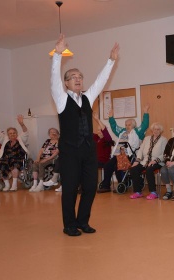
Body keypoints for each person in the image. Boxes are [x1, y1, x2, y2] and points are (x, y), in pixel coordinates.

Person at [50, 34, 119, 236]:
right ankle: (69, 225)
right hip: (70, 151)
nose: (78, 79)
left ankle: (83, 221)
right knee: (70, 189)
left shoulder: (88, 97)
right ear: (66, 83)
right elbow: (54, 78)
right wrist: (58, 54)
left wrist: (111, 61)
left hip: (88, 151)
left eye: (80, 76)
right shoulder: (61, 99)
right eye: (73, 77)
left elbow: (101, 80)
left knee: (90, 187)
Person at [97, 105, 149, 193]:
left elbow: (145, 125)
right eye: (126, 125)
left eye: (129, 125)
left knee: (117, 166)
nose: (127, 126)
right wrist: (111, 117)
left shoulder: (137, 132)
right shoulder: (122, 132)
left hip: (129, 155)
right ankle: (106, 185)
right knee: (107, 165)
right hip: (118, 154)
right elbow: (114, 127)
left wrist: (146, 113)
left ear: (134, 125)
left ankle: (122, 183)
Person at [129, 123, 167, 200]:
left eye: (158, 129)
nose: (156, 131)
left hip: (157, 162)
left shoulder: (164, 140)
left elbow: (164, 154)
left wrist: (155, 161)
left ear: (161, 131)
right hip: (145, 161)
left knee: (149, 169)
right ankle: (137, 192)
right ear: (152, 130)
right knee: (133, 169)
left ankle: (153, 192)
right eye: (154, 129)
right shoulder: (146, 139)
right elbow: (140, 150)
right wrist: (137, 160)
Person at [0, 114, 29, 192]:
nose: (12, 134)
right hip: (6, 158)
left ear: (16, 133)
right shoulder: (5, 139)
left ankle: (14, 184)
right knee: (1, 164)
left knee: (14, 163)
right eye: (10, 133)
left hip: (18, 158)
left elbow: (25, 132)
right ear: (8, 135)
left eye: (14, 133)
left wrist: (22, 124)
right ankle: (7, 184)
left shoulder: (20, 138)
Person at [29, 128, 59, 192]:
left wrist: (46, 159)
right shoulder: (47, 141)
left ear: (57, 133)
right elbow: (41, 150)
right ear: (49, 134)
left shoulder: (59, 141)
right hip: (43, 157)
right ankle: (35, 183)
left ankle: (41, 184)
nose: (53, 133)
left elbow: (56, 153)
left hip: (52, 159)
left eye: (54, 132)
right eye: (51, 132)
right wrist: (38, 158)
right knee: (35, 164)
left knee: (41, 164)